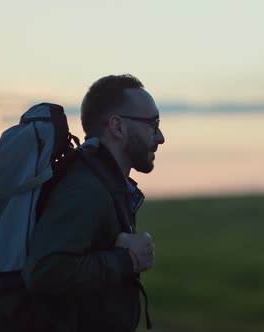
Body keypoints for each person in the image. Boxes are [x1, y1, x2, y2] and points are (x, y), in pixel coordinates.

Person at [21, 74, 165, 332]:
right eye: (153, 123)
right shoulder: (87, 188)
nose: (161, 136)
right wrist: (127, 260)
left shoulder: (105, 181)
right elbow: (45, 271)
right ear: (118, 127)